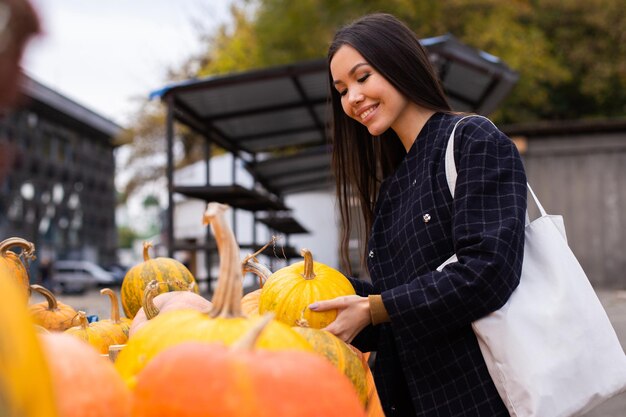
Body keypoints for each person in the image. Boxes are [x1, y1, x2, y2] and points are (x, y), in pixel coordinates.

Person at [308, 13, 527, 416]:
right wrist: (309, 289)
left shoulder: (473, 141)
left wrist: (376, 307)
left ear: (399, 64)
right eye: (341, 90)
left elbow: (488, 272)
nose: (352, 98)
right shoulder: (392, 186)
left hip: (480, 399)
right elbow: (402, 306)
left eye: (362, 77)